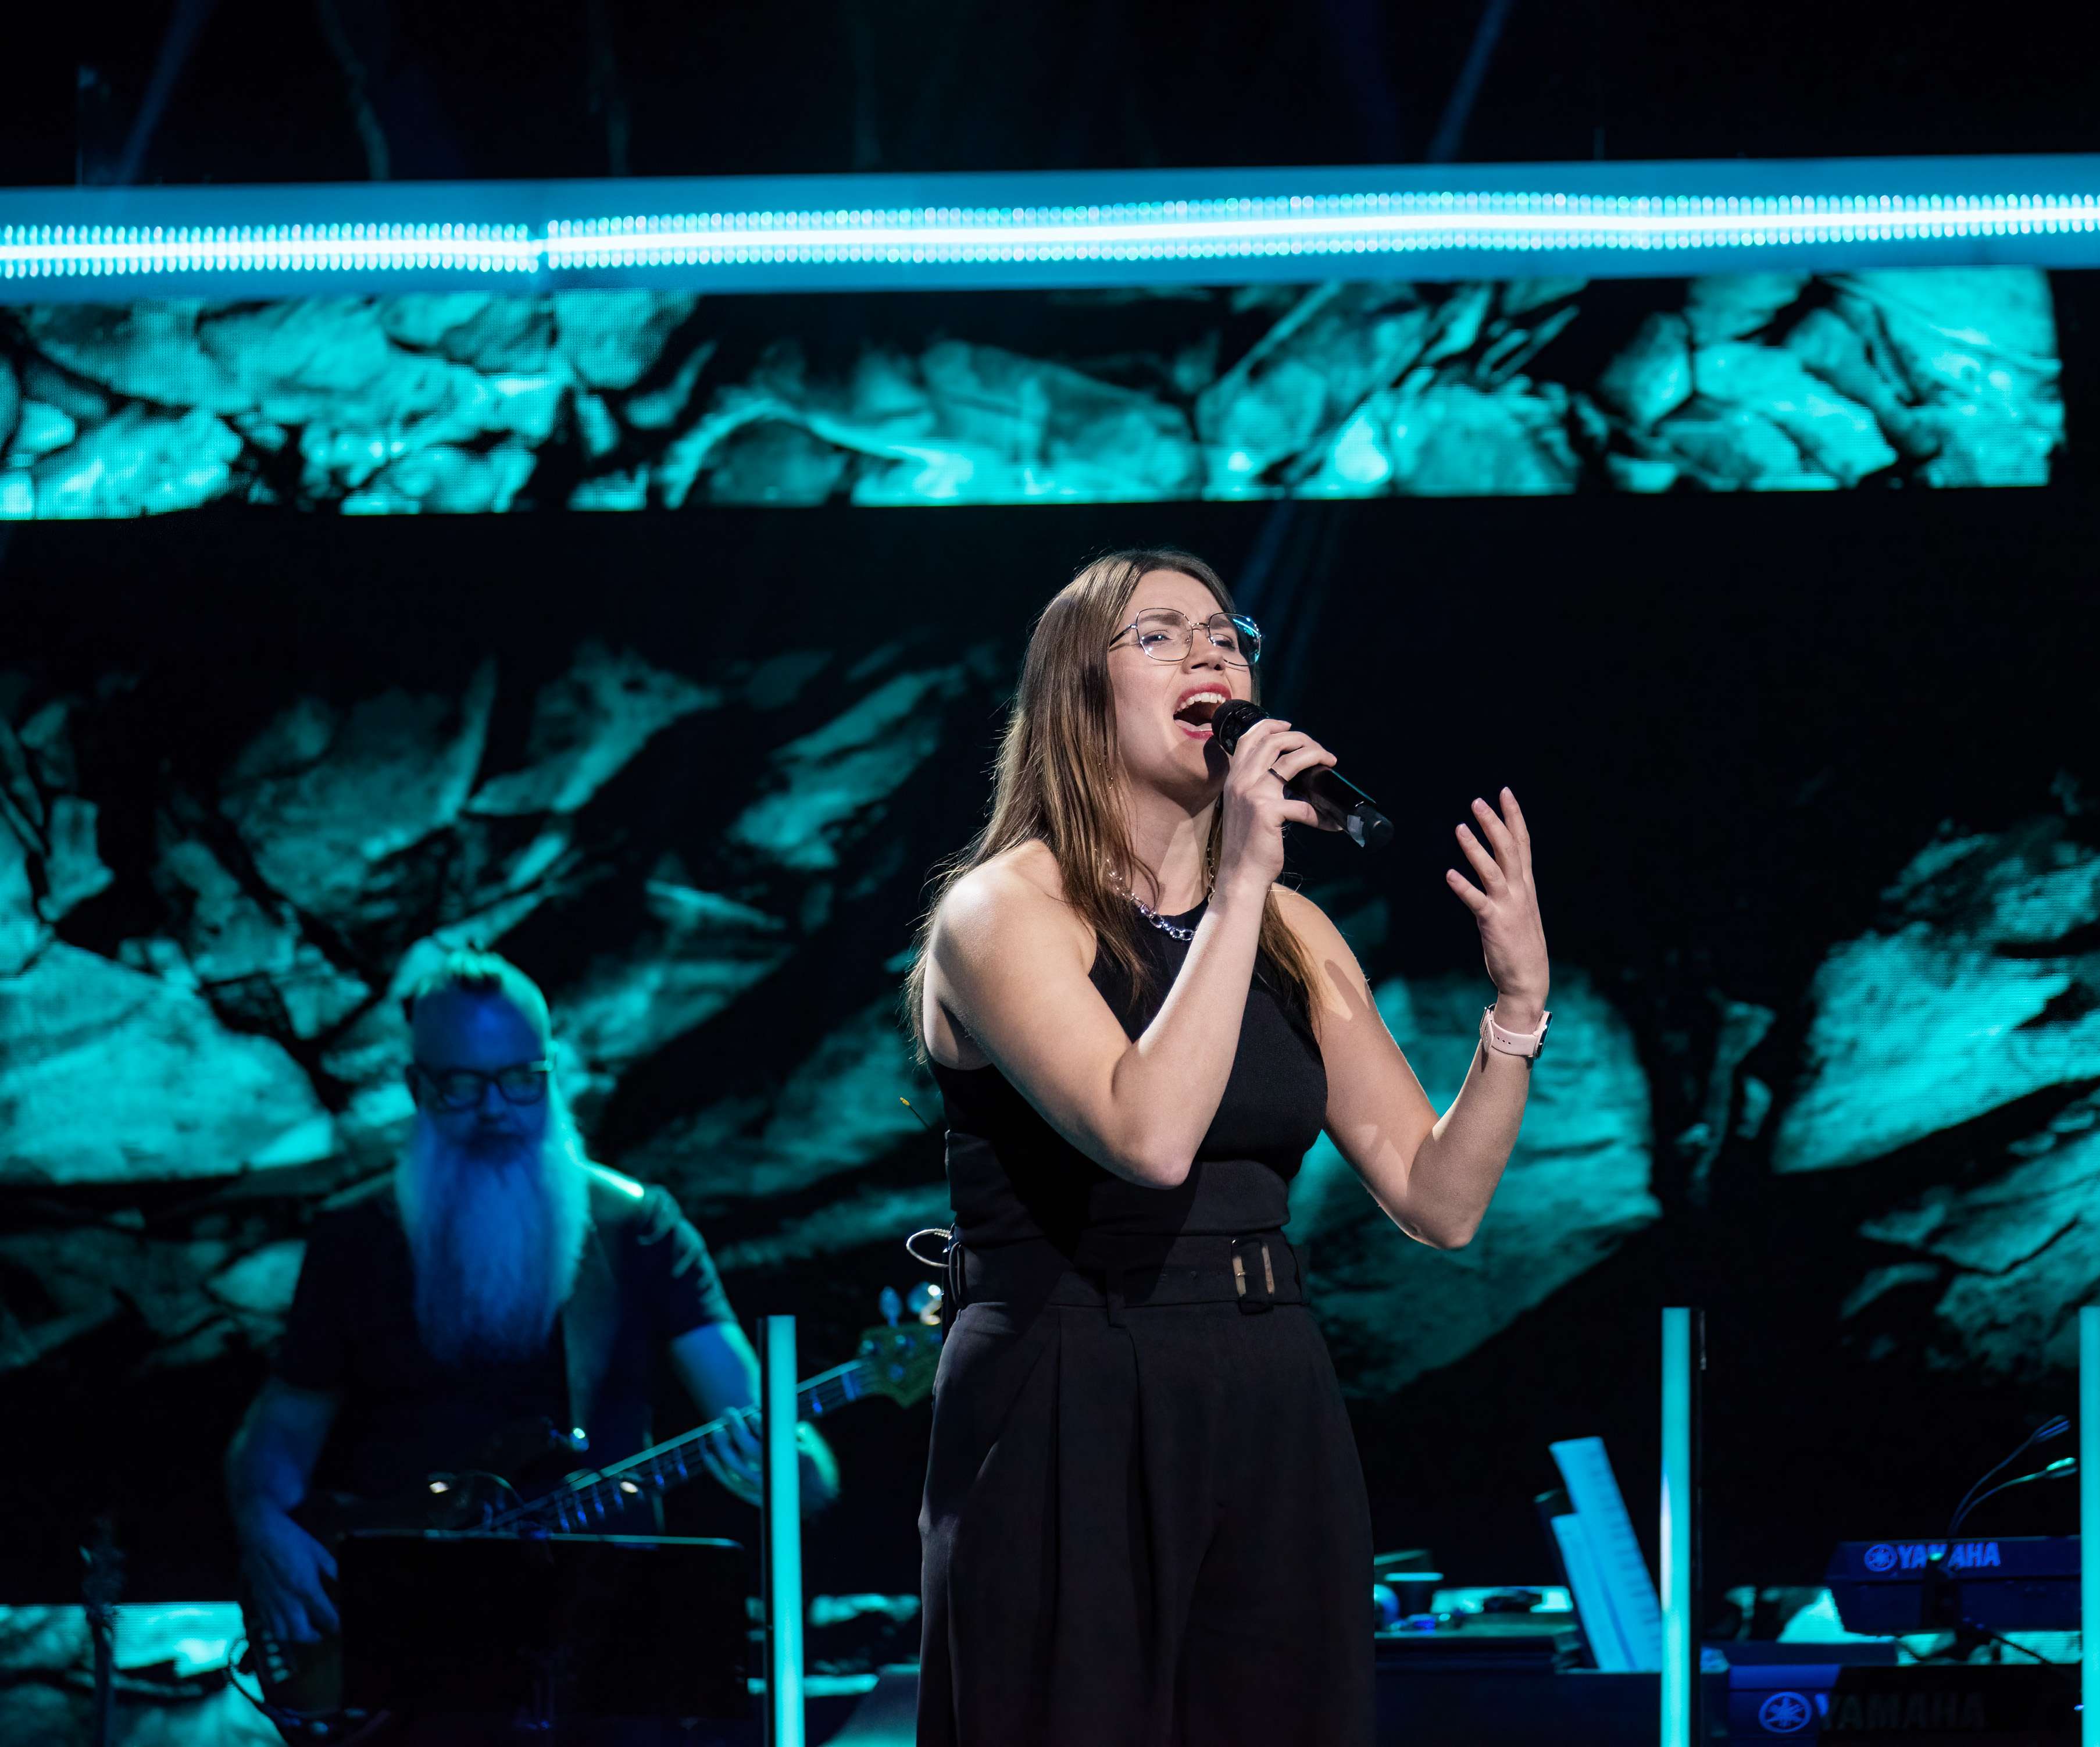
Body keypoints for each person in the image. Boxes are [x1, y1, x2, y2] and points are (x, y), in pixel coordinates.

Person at [906, 548, 1548, 1746]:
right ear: (1075, 695)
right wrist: (1244, 875)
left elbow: (1438, 1196)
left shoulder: (1294, 931)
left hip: (1267, 1380)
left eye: (1225, 633)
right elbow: (1147, 1135)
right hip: (1068, 1375)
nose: (1212, 652)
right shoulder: (1002, 911)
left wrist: (1515, 1011)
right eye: (1156, 635)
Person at [226, 948, 838, 1654]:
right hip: (408, 1639)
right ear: (416, 1086)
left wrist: (786, 1473)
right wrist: (262, 1522)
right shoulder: (356, 1237)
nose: (495, 1110)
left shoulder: (639, 1228)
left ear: (554, 1075)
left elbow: (792, 1453)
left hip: (606, 1638)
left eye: (521, 1081)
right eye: (462, 1085)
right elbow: (281, 1431)